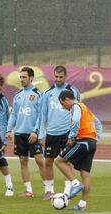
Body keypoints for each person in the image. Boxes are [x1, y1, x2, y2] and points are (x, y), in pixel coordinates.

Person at [54, 90, 102, 211]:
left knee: (59, 161)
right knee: (85, 174)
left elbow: (75, 120)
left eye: (62, 103)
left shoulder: (75, 106)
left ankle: (75, 184)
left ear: (66, 100)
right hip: (91, 143)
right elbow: (98, 123)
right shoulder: (84, 107)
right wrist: (96, 138)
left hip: (82, 141)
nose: (62, 106)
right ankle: (82, 205)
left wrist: (72, 136)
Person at [39, 65, 81, 200]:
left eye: (60, 77)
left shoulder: (73, 91)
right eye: (56, 77)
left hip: (67, 133)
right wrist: (41, 134)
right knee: (48, 161)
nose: (58, 79)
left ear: (65, 76)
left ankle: (67, 192)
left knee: (67, 162)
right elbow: (43, 115)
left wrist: (74, 133)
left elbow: (78, 112)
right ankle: (49, 190)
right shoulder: (47, 93)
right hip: (51, 133)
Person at [6, 67, 45, 198]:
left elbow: (41, 116)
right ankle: (28, 190)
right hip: (19, 133)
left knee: (40, 160)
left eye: (24, 77)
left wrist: (36, 131)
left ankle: (48, 190)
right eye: (20, 77)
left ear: (31, 78)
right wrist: (8, 130)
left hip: (33, 134)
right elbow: (14, 114)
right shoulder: (18, 95)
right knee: (23, 161)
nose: (21, 79)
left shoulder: (39, 94)